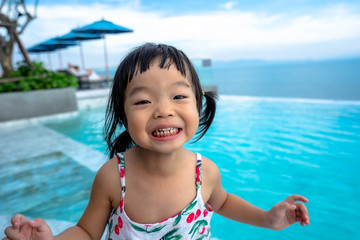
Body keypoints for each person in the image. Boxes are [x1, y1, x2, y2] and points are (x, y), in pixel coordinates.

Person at [3, 43, 309, 240]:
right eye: (143, 101)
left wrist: (267, 218)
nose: (163, 110)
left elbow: (224, 202)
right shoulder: (113, 177)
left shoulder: (206, 171)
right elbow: (86, 231)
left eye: (178, 96)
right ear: (123, 115)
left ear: (198, 106)